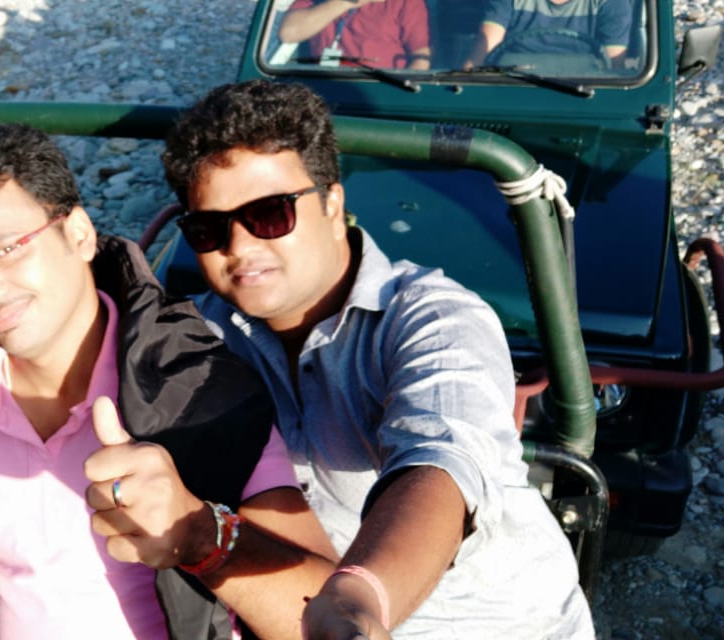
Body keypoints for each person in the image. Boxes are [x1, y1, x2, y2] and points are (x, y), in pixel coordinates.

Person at [0, 122, 338, 640]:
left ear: (79, 234)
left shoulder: (196, 391)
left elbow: (324, 618)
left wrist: (199, 533)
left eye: (7, 249)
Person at [161, 79, 595, 639]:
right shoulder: (200, 334)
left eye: (269, 215)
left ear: (332, 203)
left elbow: (441, 462)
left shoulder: (433, 318)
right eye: (209, 229)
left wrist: (360, 596)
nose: (240, 247)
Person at [463, 0, 632, 69]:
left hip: (583, 96)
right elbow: (485, 46)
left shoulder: (612, 3)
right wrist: (465, 83)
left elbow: (614, 68)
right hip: (513, 88)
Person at [278, 0, 431, 70]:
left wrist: (398, 98)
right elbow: (288, 32)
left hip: (378, 94)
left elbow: (421, 59)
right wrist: (349, 2)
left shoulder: (405, 2)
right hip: (323, 91)